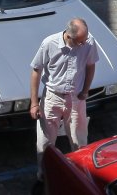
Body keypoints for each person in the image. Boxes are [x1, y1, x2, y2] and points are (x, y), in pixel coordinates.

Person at [29, 18, 98, 168]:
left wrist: (85, 91)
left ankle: (82, 172)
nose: (84, 43)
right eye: (80, 41)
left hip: (76, 98)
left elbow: (90, 66)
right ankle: (44, 175)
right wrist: (34, 103)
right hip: (52, 97)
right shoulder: (49, 43)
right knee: (45, 143)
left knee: (79, 141)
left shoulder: (89, 42)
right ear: (69, 36)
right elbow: (36, 70)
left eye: (85, 39)